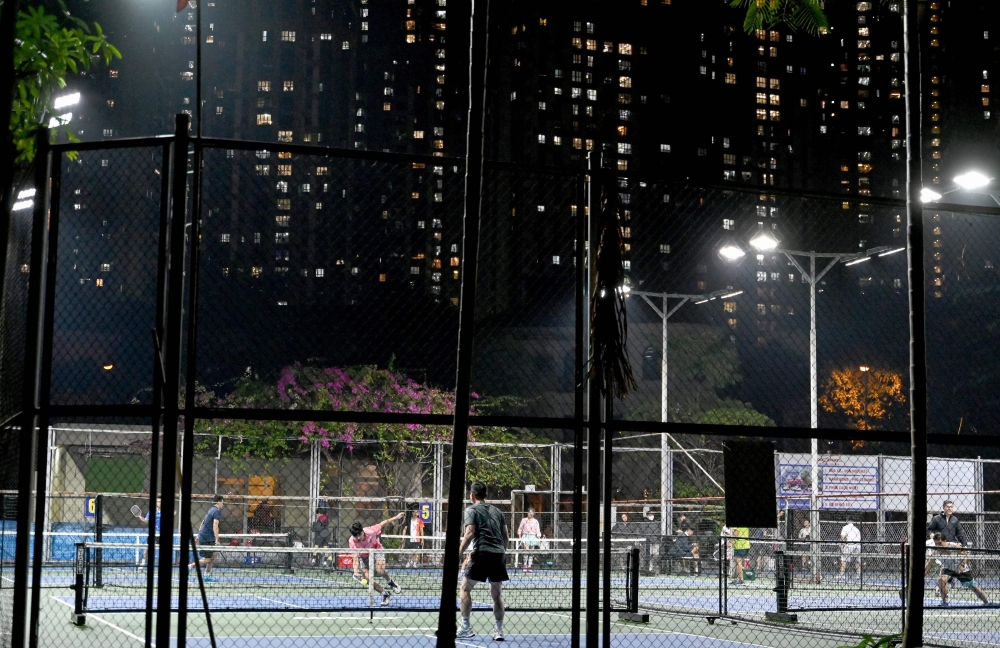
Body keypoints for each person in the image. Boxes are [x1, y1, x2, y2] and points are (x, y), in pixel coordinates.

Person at [457, 481, 509, 641]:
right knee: (496, 593)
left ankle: (466, 627)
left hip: (482, 554)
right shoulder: (498, 511)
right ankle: (499, 631)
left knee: (465, 589)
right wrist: (500, 551)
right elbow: (505, 537)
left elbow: (470, 532)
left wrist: (458, 552)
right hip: (498, 554)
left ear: (471, 496)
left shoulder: (471, 510)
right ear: (486, 495)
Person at [924, 533, 999, 607]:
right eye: (936, 544)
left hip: (960, 569)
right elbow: (928, 566)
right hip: (947, 569)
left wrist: (962, 564)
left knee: (973, 587)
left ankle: (986, 602)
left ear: (945, 540)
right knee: (941, 580)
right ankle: (945, 601)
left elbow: (966, 554)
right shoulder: (936, 551)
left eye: (939, 543)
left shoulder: (954, 546)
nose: (938, 546)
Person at [349, 511, 405, 606]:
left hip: (376, 550)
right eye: (356, 536)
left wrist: (396, 517)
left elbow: (383, 523)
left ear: (362, 530)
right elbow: (355, 556)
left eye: (359, 534)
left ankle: (391, 582)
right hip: (364, 556)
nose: (358, 537)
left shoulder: (371, 531)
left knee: (380, 570)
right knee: (367, 578)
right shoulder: (352, 541)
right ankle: (385, 594)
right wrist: (355, 571)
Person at [191, 495, 224, 582]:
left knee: (214, 554)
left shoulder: (210, 510)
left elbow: (202, 522)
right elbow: (215, 525)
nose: (223, 504)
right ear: (219, 502)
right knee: (208, 559)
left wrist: (198, 535)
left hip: (204, 536)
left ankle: (207, 575)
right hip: (207, 538)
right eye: (222, 502)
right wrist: (217, 539)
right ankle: (190, 566)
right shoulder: (216, 511)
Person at [136, 498, 161, 569]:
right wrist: (143, 519)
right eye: (158, 502)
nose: (160, 503)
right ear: (156, 503)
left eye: (161, 502)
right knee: (147, 549)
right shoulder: (151, 512)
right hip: (153, 533)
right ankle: (143, 564)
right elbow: (146, 521)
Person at [517, 506, 541, 573]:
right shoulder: (524, 520)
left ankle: (530, 566)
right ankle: (525, 565)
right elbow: (520, 528)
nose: (530, 514)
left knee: (531, 552)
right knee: (526, 550)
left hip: (533, 537)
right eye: (529, 512)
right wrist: (520, 536)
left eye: (531, 513)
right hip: (526, 536)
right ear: (527, 513)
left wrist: (539, 538)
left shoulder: (536, 521)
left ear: (533, 513)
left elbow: (538, 530)